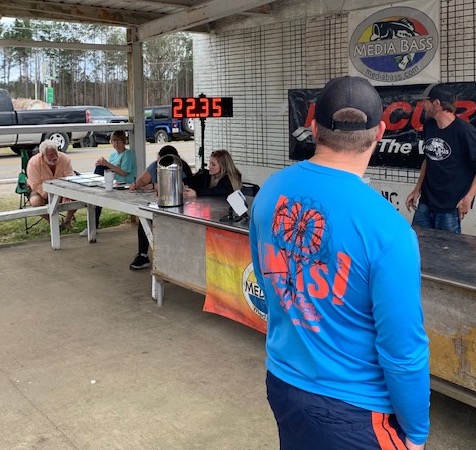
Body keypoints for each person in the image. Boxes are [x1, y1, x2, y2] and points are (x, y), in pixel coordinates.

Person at [249, 76, 430, 450]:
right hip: (354, 409)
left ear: (314, 129)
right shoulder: (390, 231)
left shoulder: (270, 192)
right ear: (380, 132)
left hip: (283, 383)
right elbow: (403, 352)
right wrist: (416, 432)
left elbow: (269, 283)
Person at [406, 83, 476, 233]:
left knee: (448, 247)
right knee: (419, 241)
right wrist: (417, 189)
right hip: (426, 202)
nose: (423, 105)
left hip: (450, 206)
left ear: (436, 103)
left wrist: (469, 197)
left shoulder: (465, 132)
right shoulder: (429, 126)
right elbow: (428, 159)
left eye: (425, 101)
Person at [128, 145, 193, 270]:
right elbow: (142, 180)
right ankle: (142, 255)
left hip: (178, 207)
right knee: (144, 218)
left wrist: (155, 185)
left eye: (160, 160)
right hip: (158, 204)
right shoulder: (154, 165)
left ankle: (171, 259)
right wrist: (137, 184)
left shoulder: (179, 168)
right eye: (157, 160)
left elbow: (180, 187)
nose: (158, 163)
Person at [80, 130, 136, 236]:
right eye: (114, 141)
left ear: (123, 141)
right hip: (112, 182)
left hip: (124, 183)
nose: (116, 143)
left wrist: (107, 164)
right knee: (100, 170)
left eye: (118, 141)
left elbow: (124, 172)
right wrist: (101, 164)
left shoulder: (128, 154)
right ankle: (92, 224)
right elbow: (109, 168)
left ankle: (93, 224)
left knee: (97, 195)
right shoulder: (113, 155)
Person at [27, 139, 77, 230]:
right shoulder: (33, 163)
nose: (54, 157)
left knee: (78, 196)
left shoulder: (65, 159)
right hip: (42, 191)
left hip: (63, 189)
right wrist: (52, 195)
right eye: (50, 155)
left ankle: (67, 221)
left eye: (55, 153)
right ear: (43, 156)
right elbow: (36, 185)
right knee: (35, 201)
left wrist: (66, 194)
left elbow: (71, 179)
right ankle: (53, 223)